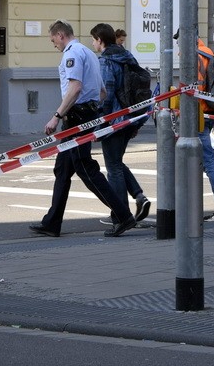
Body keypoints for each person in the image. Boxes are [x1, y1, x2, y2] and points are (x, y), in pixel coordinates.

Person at [30, 20, 137, 238]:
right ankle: (52, 222)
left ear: (61, 35)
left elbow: (75, 87)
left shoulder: (72, 54)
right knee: (62, 169)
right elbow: (102, 92)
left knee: (86, 169)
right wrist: (93, 114)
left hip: (76, 117)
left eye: (53, 40)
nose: (54, 45)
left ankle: (123, 215)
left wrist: (56, 116)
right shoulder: (88, 53)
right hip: (84, 115)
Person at [90, 23, 152, 223]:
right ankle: (139, 196)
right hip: (130, 117)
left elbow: (106, 95)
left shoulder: (106, 61)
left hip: (114, 120)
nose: (93, 43)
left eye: (93, 39)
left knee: (113, 167)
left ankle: (120, 214)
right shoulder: (127, 57)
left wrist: (100, 122)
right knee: (116, 162)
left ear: (100, 40)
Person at [178, 30, 214, 222]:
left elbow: (197, 88)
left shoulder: (197, 56)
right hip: (207, 113)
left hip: (199, 115)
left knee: (208, 162)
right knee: (199, 161)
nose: (178, 48)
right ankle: (192, 205)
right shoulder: (207, 52)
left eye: (179, 43)